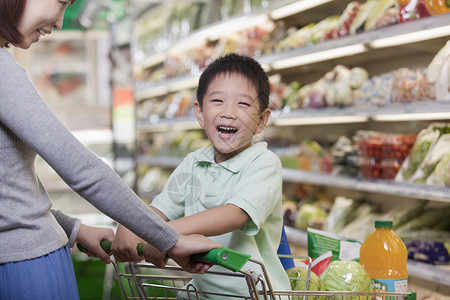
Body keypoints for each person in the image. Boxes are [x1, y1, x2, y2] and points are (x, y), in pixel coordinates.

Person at [0, 1, 221, 299]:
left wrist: (73, 228)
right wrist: (170, 240)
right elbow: (80, 168)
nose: (61, 22)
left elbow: (8, 188)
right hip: (26, 268)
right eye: (61, 2)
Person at [112, 53, 291, 298]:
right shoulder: (193, 163)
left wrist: (162, 234)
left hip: (256, 292)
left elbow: (235, 214)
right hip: (203, 291)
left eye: (243, 104)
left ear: (261, 121)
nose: (229, 112)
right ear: (199, 113)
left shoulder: (264, 164)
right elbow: (160, 210)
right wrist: (134, 224)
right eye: (217, 101)